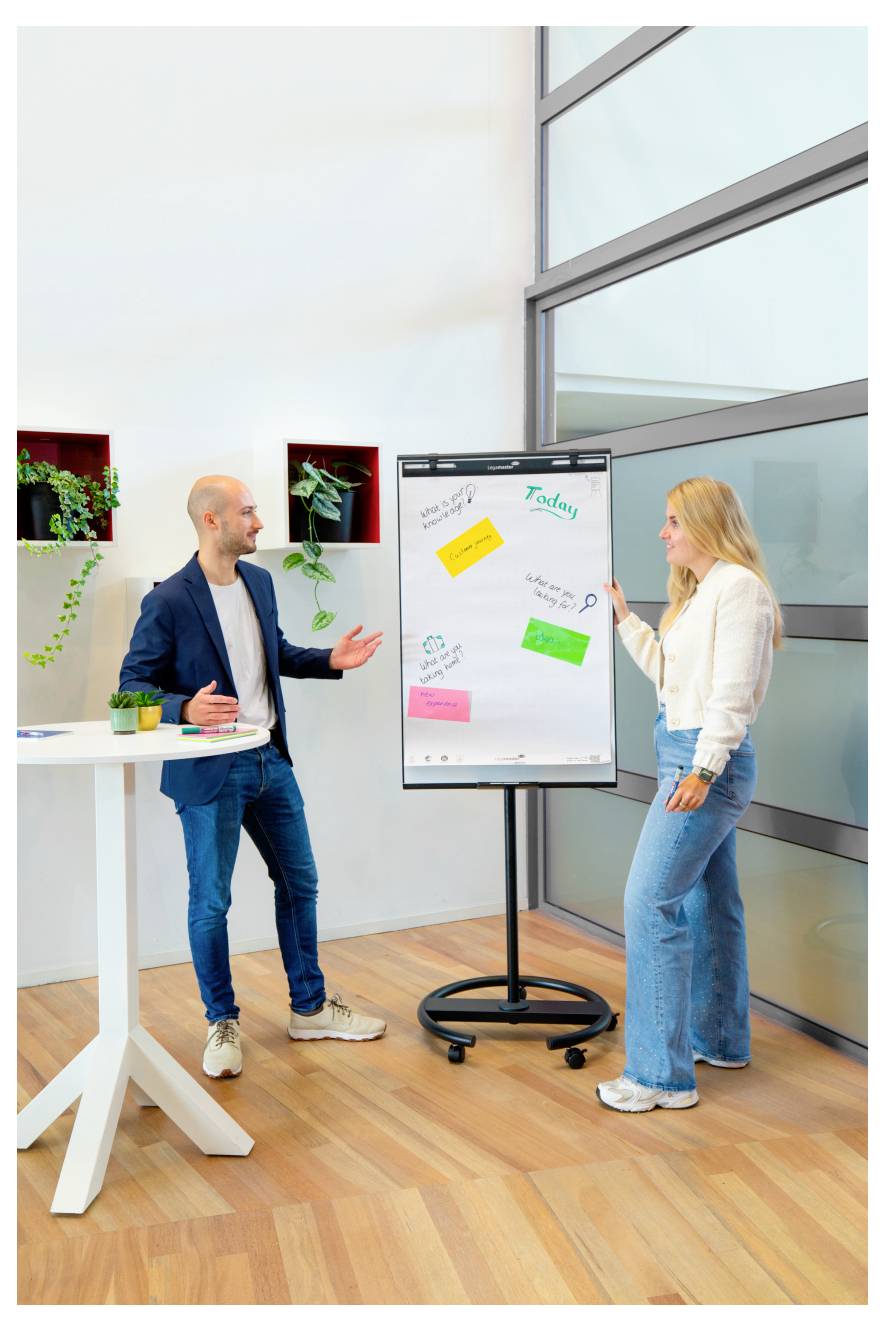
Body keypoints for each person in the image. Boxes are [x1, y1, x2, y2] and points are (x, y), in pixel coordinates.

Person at [120, 474, 386, 1079]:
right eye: (248, 512)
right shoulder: (168, 601)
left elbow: (277, 653)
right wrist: (182, 709)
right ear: (212, 521)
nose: (260, 522)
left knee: (300, 884)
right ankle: (222, 1022)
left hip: (270, 759)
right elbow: (132, 685)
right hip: (210, 772)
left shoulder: (260, 583)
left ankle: (310, 1008)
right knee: (211, 902)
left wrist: (328, 660)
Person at [597, 476, 781, 1113]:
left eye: (672, 521)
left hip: (706, 763)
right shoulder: (702, 594)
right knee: (711, 900)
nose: (663, 533)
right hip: (690, 752)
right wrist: (626, 621)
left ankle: (658, 1077)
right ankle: (720, 1039)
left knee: (649, 902)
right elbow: (676, 681)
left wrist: (701, 773)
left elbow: (729, 697)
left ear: (704, 524)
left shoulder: (740, 590)